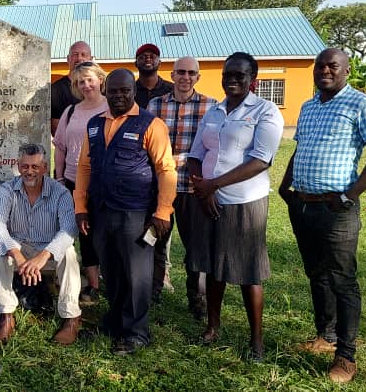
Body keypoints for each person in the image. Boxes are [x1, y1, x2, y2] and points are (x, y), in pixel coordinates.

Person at [279, 48, 366, 383]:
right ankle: (325, 337)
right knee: (317, 275)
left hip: (336, 208)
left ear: (346, 70)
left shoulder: (361, 104)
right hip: (304, 204)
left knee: (342, 280)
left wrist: (349, 195)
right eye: (321, 66)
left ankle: (346, 355)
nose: (325, 70)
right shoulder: (309, 106)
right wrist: (286, 187)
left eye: (333, 66)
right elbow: (301, 148)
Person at [186, 52, 284, 361]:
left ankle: (256, 340)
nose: (232, 80)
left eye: (239, 75)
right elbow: (195, 154)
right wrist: (204, 189)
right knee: (215, 267)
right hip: (210, 200)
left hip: (245, 202)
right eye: (228, 74)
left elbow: (260, 160)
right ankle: (213, 327)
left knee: (248, 271)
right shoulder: (214, 111)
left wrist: (214, 185)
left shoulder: (266, 111)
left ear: (252, 80)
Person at [73, 69, 177, 355]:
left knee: (136, 274)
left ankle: (136, 333)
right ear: (105, 91)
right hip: (102, 210)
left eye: (125, 91)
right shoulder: (94, 124)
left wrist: (163, 211)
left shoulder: (151, 124)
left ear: (133, 91)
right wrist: (81, 207)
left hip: (136, 211)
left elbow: (166, 170)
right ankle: (115, 321)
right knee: (112, 270)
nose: (119, 96)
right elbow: (84, 167)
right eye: (114, 91)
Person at [0, 143, 81, 346]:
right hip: (19, 249)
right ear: (18, 166)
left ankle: (71, 317)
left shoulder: (60, 193)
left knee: (69, 253)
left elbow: (69, 229)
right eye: (25, 166)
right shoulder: (7, 190)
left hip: (46, 251)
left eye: (35, 167)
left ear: (45, 167)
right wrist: (16, 254)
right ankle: (6, 316)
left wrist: (43, 256)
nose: (29, 172)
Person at [146, 56, 218, 316]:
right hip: (160, 189)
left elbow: (213, 149)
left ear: (198, 77)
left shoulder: (212, 107)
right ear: (172, 75)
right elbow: (147, 146)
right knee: (153, 241)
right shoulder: (155, 106)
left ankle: (197, 298)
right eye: (180, 72)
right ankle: (152, 291)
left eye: (191, 73)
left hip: (193, 189)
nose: (185, 77)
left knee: (196, 247)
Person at [53, 61, 108, 305]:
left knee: (105, 231)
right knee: (84, 233)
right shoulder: (70, 112)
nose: (86, 85)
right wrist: (60, 178)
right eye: (80, 82)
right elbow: (61, 148)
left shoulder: (112, 106)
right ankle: (93, 285)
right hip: (74, 181)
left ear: (100, 79)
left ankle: (114, 279)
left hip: (103, 180)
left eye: (89, 79)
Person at [51, 41, 93, 135]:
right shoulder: (56, 89)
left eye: (83, 54)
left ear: (91, 59)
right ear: (68, 59)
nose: (79, 58)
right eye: (75, 54)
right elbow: (56, 131)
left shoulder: (100, 87)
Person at [133, 43, 173, 109]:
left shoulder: (172, 90)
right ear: (136, 64)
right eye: (143, 57)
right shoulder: (129, 91)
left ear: (159, 63)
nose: (148, 59)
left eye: (152, 57)